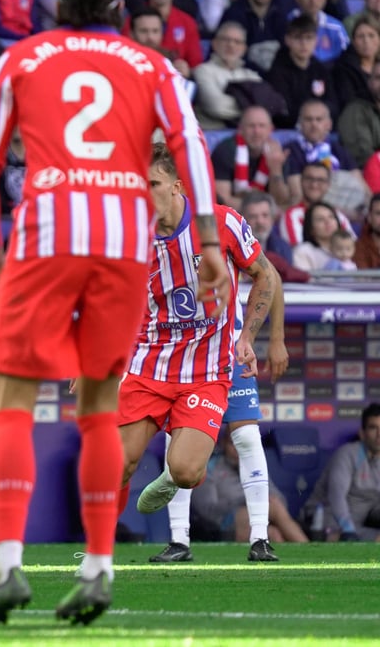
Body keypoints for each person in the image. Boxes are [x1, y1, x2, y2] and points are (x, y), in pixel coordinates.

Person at [0, 0, 226, 628]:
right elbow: (191, 145)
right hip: (123, 240)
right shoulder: (152, 65)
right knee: (100, 402)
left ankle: (8, 563)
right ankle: (99, 566)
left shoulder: (21, 57)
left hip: (46, 235)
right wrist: (210, 238)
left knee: (15, 400)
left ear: (57, 6)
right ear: (116, 8)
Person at [119, 144, 280, 571]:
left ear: (175, 186)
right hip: (151, 364)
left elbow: (265, 275)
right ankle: (99, 550)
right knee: (116, 464)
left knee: (199, 464)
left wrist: (253, 336)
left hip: (210, 368)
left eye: (150, 184)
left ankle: (252, 531)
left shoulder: (221, 224)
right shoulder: (131, 235)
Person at [149, 237, 290, 564]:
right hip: (187, 360)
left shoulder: (223, 225)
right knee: (179, 440)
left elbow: (269, 275)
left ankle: (260, 537)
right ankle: (179, 539)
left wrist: (276, 338)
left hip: (229, 354)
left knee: (246, 436)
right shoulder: (156, 237)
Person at [301, 403, 380, 542]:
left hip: (358, 525)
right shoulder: (348, 454)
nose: (379, 435)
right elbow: (336, 497)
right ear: (362, 433)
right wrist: (348, 531)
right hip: (326, 520)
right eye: (373, 428)